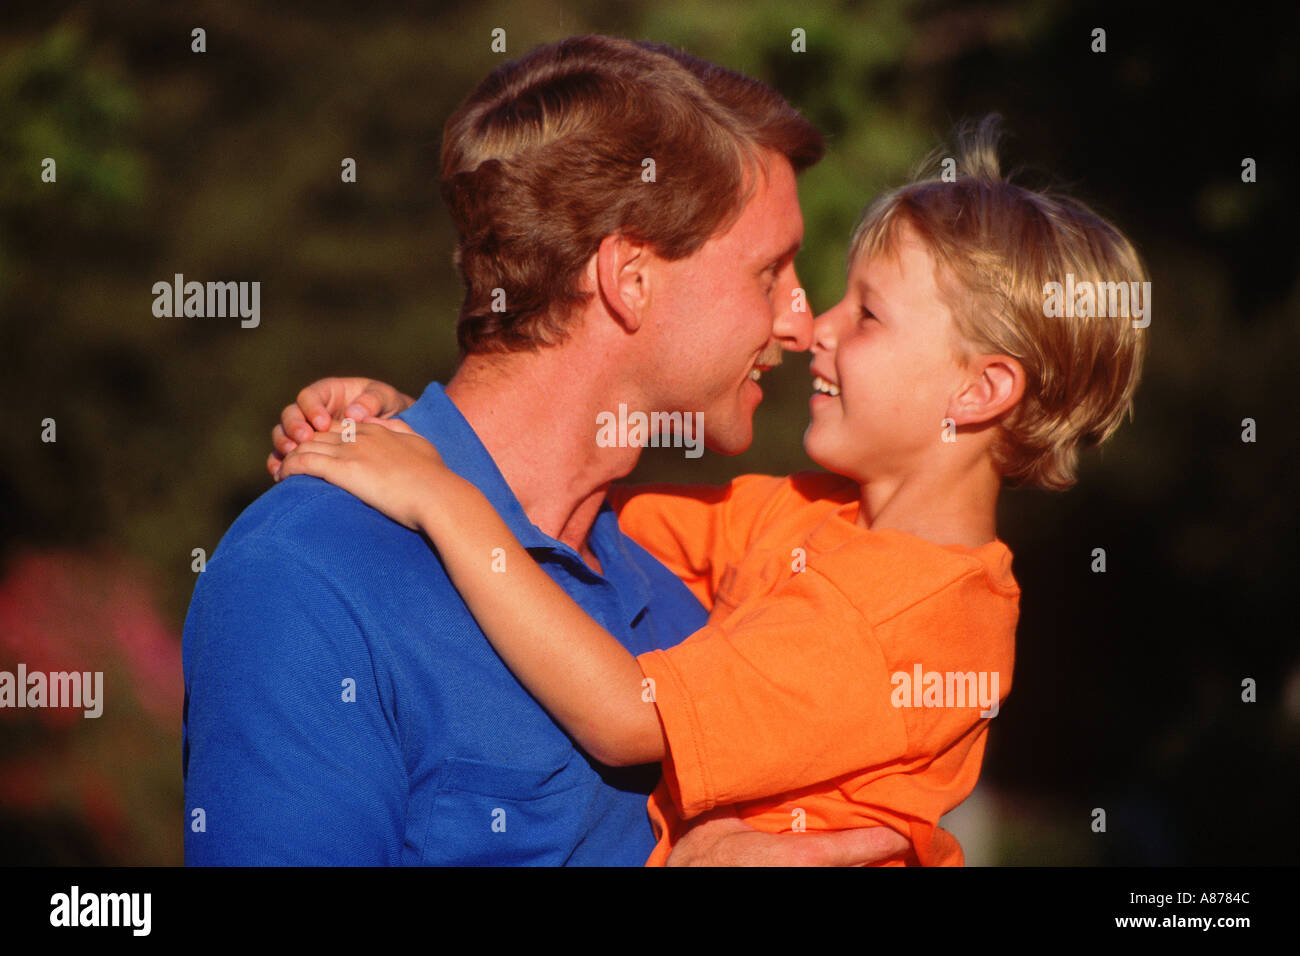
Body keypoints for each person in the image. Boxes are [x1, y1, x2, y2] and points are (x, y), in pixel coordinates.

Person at [272, 117, 1149, 865]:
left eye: (868, 316)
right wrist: (419, 436)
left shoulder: (915, 625)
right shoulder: (807, 515)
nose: (814, 328)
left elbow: (627, 717)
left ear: (980, 392)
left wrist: (440, 500)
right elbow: (558, 511)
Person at [183, 34, 908, 866]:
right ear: (629, 278)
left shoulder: (686, 611)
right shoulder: (311, 572)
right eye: (768, 273)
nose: (798, 322)